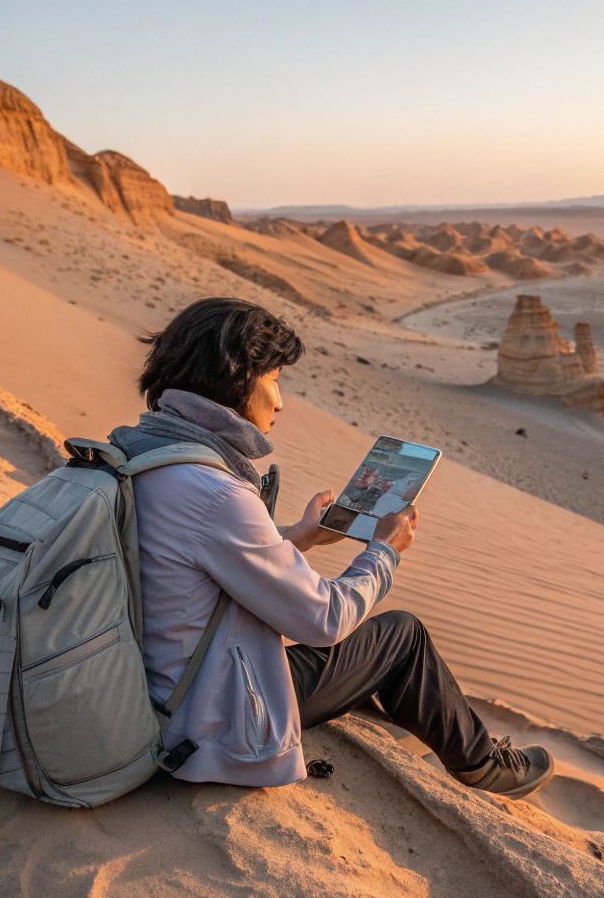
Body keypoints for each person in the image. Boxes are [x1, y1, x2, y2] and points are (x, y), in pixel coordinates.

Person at [109, 297, 554, 799]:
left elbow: (193, 562)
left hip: (137, 688)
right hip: (203, 716)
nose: (280, 402)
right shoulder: (216, 492)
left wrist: (303, 536)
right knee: (401, 637)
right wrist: (384, 552)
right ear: (236, 380)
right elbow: (322, 621)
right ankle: (483, 764)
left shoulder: (137, 455)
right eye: (274, 379)